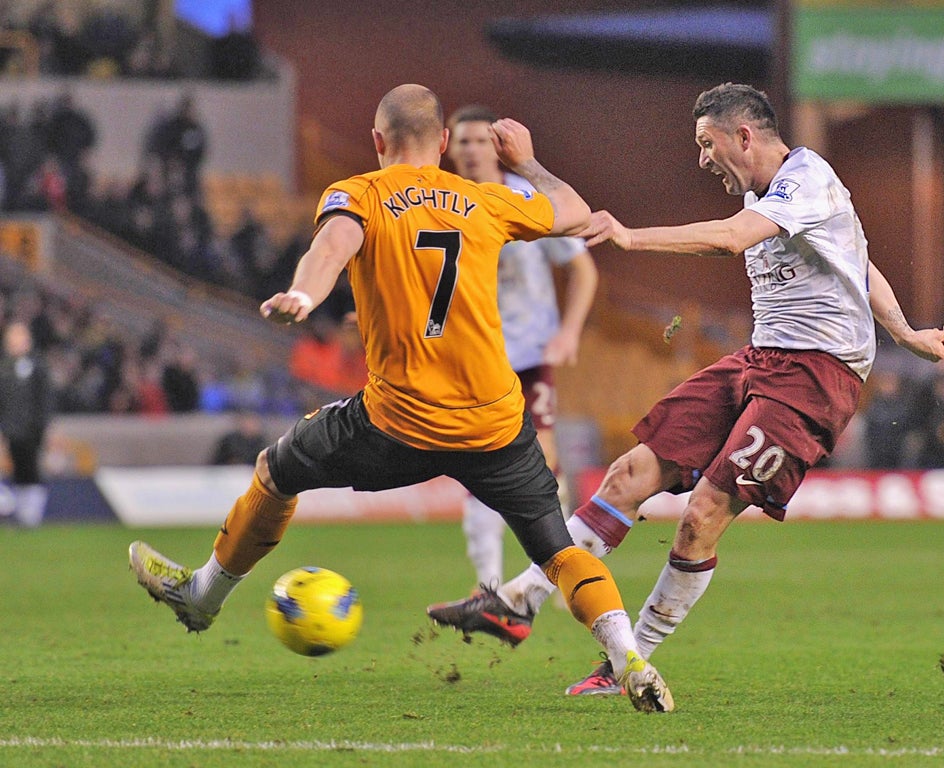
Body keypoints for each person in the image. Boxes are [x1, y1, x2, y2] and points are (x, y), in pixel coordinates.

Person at [128, 83, 673, 713]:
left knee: (276, 472)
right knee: (558, 552)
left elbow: (331, 246)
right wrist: (528, 162)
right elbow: (575, 212)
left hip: (396, 424)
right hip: (494, 424)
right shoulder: (485, 201)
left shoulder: (359, 193)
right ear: (443, 143)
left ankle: (203, 596)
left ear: (377, 142)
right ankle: (630, 657)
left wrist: (304, 295)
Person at [427, 82, 944, 696]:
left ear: (743, 136)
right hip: (761, 359)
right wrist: (906, 332)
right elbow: (857, 260)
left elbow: (731, 238)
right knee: (628, 475)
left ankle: (628, 662)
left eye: (707, 144)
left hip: (817, 376)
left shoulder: (806, 178)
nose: (702, 159)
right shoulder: (777, 195)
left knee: (700, 517)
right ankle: (518, 601)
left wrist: (630, 236)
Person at [445, 104, 599, 588]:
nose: (471, 150)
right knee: (476, 461)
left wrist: (569, 331)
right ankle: (488, 581)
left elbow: (582, 268)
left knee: (544, 464)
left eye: (480, 140)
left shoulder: (525, 199)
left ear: (497, 146)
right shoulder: (442, 202)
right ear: (447, 147)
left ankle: (555, 570)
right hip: (471, 354)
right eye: (462, 141)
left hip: (529, 351)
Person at [0, 321, 53, 527]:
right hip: (10, 430)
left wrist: (41, 425)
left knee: (31, 469)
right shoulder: (5, 368)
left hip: (31, 431)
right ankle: (20, 513)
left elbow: (44, 398)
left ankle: (31, 514)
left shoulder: (37, 365)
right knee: (18, 470)